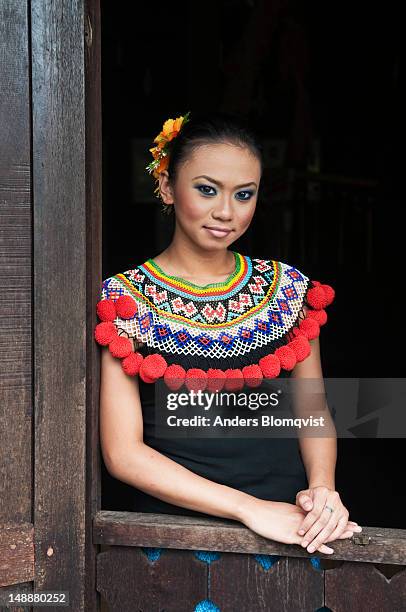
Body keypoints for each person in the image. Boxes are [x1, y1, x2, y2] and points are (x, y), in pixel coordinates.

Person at [95, 111, 362, 564]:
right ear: (165, 187)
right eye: (206, 189)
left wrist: (322, 493)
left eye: (244, 195)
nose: (226, 212)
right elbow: (123, 454)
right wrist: (248, 510)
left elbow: (312, 411)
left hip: (293, 524)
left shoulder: (287, 290)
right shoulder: (125, 299)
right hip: (172, 535)